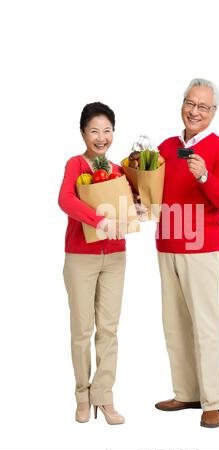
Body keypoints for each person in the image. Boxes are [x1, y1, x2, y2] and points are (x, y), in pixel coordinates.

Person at [155, 78, 219, 427]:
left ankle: (213, 401)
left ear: (213, 112)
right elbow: (152, 191)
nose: (194, 111)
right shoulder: (164, 147)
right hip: (167, 244)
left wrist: (205, 177)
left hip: (201, 249)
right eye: (190, 103)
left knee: (205, 326)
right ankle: (187, 392)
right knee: (174, 324)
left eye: (203, 107)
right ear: (182, 104)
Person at [58, 102, 126, 425]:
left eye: (107, 130)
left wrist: (137, 210)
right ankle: (82, 397)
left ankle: (105, 398)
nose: (102, 137)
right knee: (82, 330)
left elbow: (130, 204)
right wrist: (98, 220)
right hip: (81, 257)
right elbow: (65, 200)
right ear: (83, 132)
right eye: (95, 131)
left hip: (115, 257)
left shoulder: (118, 171)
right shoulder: (76, 165)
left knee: (109, 331)